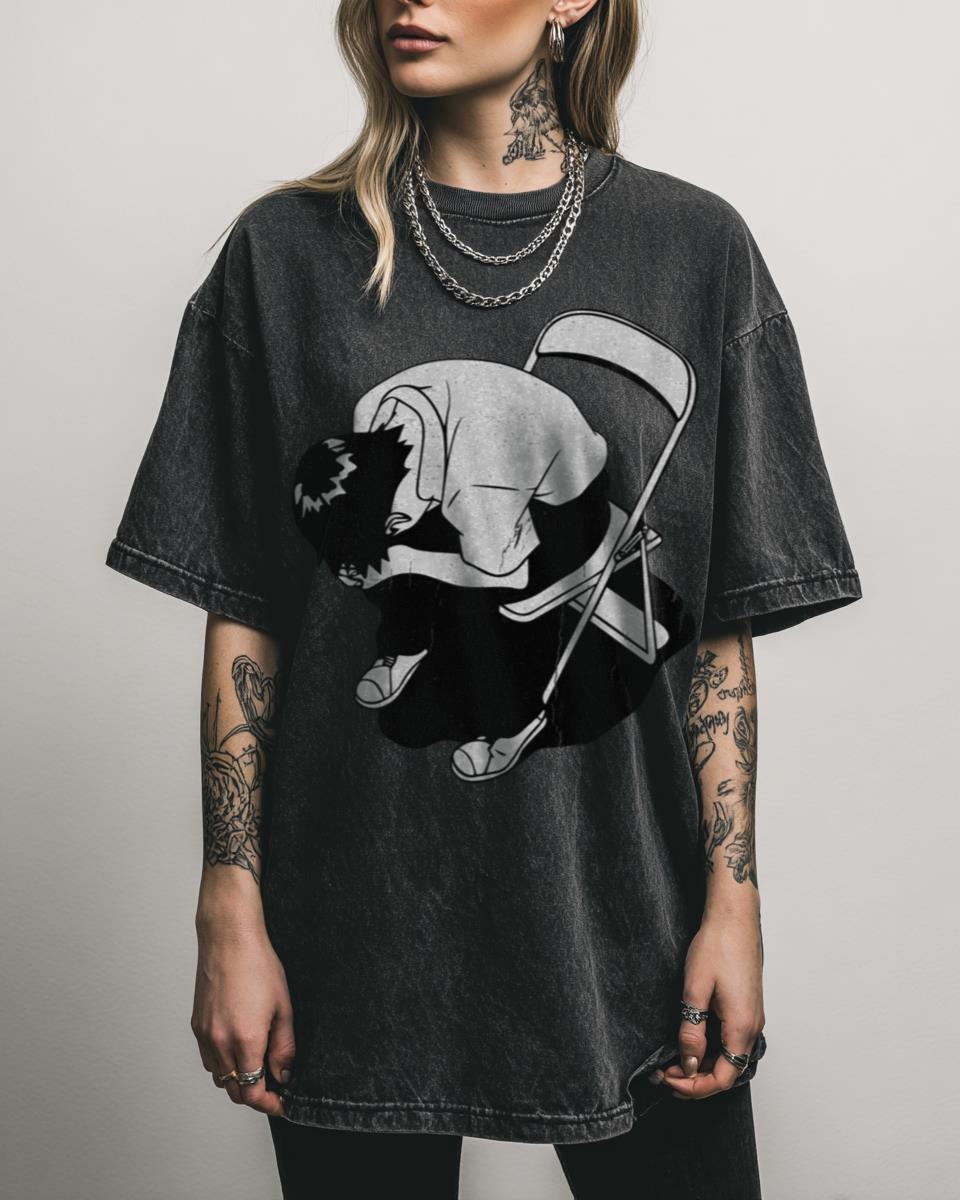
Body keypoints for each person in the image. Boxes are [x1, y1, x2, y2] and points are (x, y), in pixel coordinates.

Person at [104, 0, 863, 1195]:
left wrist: (734, 903)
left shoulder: (695, 249)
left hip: (625, 918)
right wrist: (229, 905)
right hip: (351, 923)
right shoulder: (283, 255)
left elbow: (717, 633)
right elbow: (248, 608)